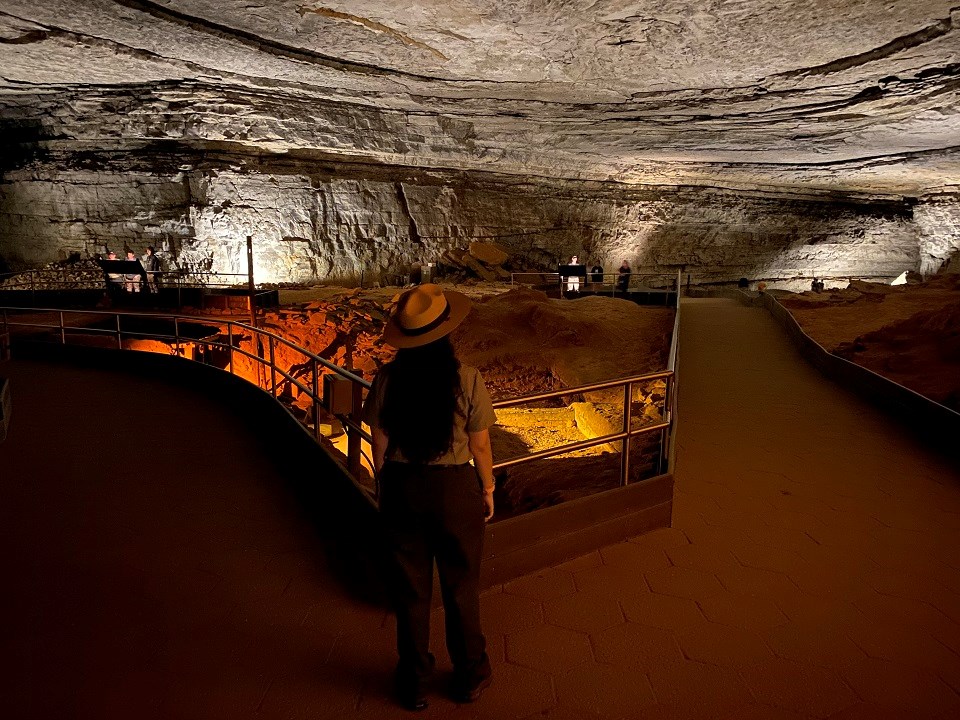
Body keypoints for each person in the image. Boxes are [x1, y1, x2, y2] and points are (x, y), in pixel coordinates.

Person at [362, 283, 496, 712]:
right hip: (455, 490)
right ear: (445, 331)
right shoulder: (467, 379)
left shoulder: (387, 378)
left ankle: (415, 680)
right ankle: (469, 675)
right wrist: (487, 488)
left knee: (411, 590)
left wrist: (386, 486)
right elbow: (479, 447)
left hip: (403, 487)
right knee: (462, 587)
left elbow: (377, 441)